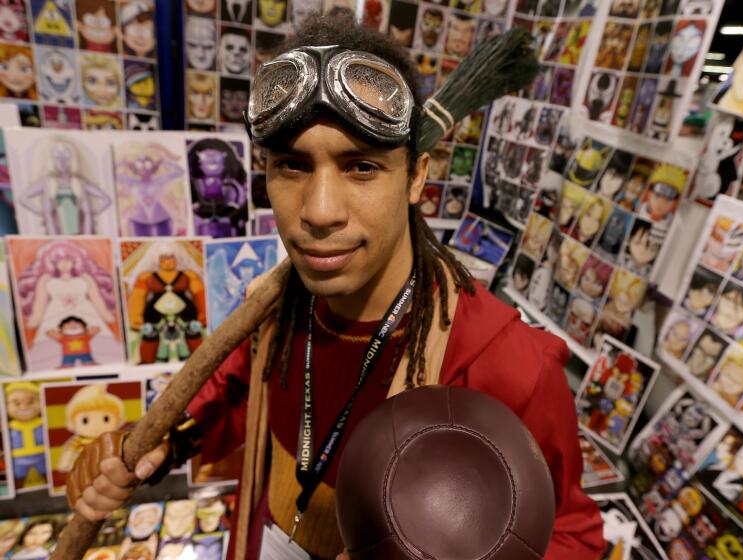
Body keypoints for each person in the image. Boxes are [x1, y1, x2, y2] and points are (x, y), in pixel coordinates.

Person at [68, 13, 605, 560]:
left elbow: (572, 535)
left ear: (417, 176)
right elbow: (234, 394)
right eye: (293, 166)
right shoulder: (273, 314)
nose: (320, 212)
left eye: (362, 168)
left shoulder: (509, 367)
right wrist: (157, 443)